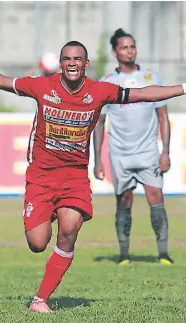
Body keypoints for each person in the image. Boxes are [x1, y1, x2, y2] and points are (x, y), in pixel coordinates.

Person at [0, 41, 185, 313]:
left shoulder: (100, 91)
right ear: (61, 63)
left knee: (69, 230)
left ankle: (40, 300)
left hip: (74, 178)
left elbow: (145, 93)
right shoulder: (42, 86)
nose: (72, 63)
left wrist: (183, 88)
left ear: (86, 65)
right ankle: (45, 212)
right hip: (41, 176)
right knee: (38, 243)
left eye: (78, 59)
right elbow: (0, 80)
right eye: (67, 58)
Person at [93, 28, 176, 265]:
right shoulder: (108, 83)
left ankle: (163, 254)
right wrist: (97, 160)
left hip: (148, 151)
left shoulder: (152, 78)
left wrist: (165, 151)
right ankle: (124, 255)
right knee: (124, 200)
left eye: (132, 46)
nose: (129, 51)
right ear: (115, 51)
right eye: (124, 47)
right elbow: (99, 123)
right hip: (120, 154)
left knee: (155, 196)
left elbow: (163, 117)